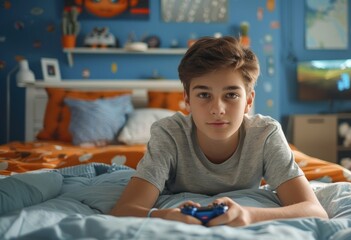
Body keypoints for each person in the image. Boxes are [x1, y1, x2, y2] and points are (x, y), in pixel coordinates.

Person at [110, 36, 328, 227]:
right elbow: (124, 210)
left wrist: (250, 215)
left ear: (249, 101)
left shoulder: (265, 134)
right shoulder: (169, 134)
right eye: (204, 95)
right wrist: (164, 216)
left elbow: (315, 211)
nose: (217, 110)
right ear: (186, 100)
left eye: (231, 95)